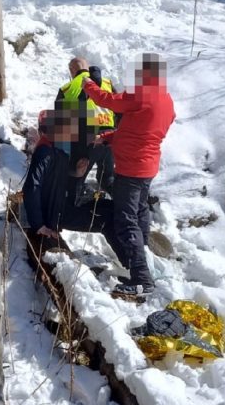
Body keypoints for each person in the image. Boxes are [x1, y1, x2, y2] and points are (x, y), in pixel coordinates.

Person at [82, 54, 175, 299]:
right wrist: (109, 138)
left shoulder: (142, 95)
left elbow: (106, 100)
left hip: (131, 169)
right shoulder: (165, 100)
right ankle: (144, 259)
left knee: (125, 220)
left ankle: (141, 278)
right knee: (140, 210)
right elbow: (141, 130)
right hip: (147, 167)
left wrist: (87, 83)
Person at [22, 103, 115, 246]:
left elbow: (55, 176)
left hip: (62, 206)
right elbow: (31, 187)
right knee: (107, 220)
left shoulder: (57, 149)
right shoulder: (44, 152)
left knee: (111, 209)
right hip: (56, 214)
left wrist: (75, 173)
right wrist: (39, 224)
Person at [57, 55, 115, 192]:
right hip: (110, 137)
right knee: (108, 178)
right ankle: (122, 202)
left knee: (76, 178)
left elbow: (62, 126)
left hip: (88, 139)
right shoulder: (107, 83)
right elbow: (118, 109)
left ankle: (74, 201)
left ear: (72, 71)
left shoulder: (68, 88)